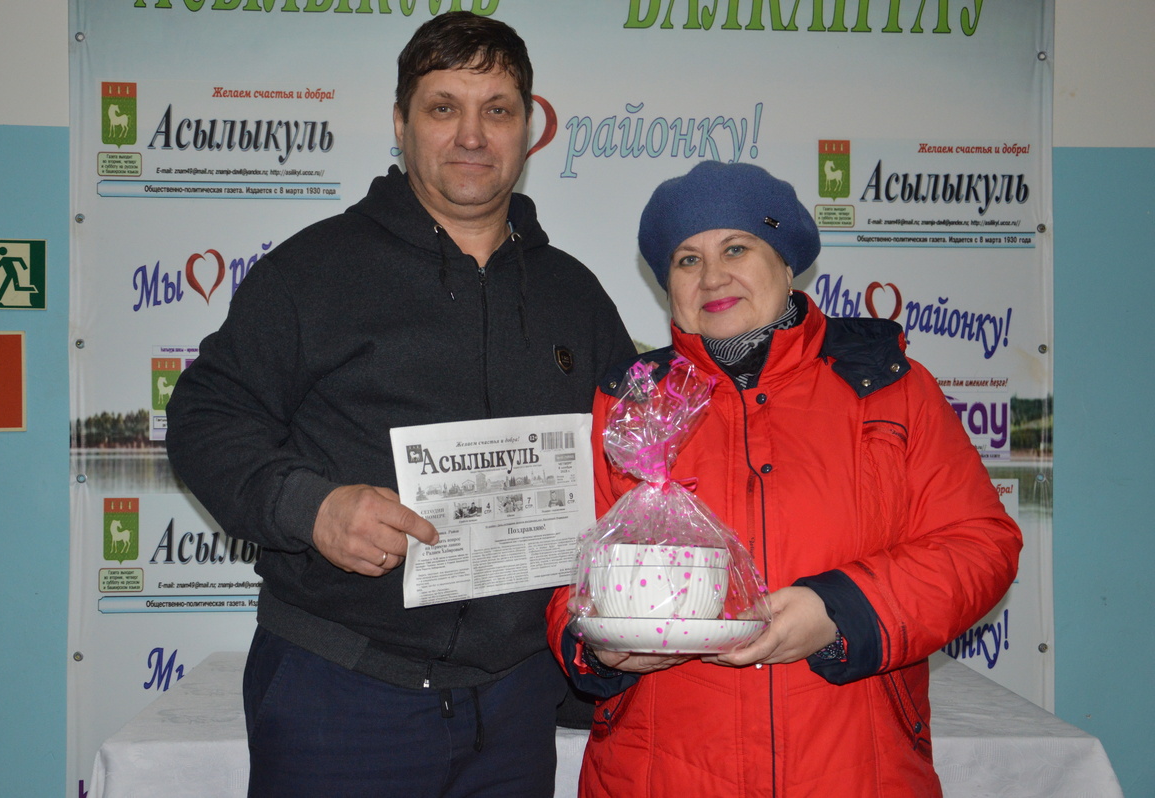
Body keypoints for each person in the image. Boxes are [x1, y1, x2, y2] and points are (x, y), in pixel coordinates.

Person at [165, 12, 634, 798]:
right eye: (443, 107)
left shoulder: (574, 295)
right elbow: (205, 417)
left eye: (496, 110)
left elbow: (633, 461)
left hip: (515, 702)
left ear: (527, 129)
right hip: (341, 691)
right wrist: (312, 508)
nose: (472, 135)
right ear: (400, 124)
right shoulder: (313, 271)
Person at [546, 160, 1022, 797]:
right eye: (687, 260)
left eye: (736, 248)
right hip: (660, 774)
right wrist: (597, 646)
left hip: (856, 771)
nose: (713, 276)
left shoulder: (889, 389)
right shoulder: (628, 405)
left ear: (785, 261)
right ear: (668, 285)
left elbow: (981, 545)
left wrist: (841, 610)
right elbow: (563, 575)